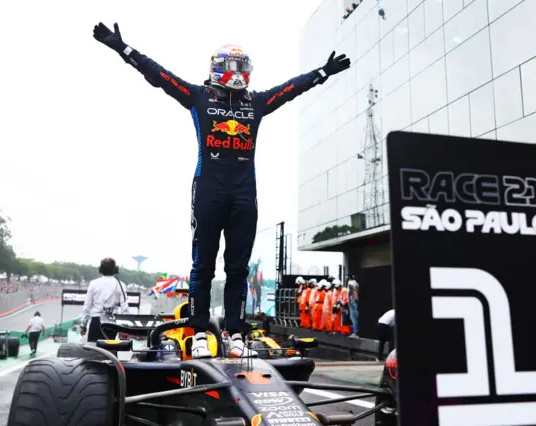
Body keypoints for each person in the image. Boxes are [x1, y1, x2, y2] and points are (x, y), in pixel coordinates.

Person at [92, 22, 351, 358]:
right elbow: (159, 76)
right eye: (232, 66)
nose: (239, 73)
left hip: (245, 195)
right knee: (203, 267)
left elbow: (289, 89)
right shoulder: (199, 96)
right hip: (209, 191)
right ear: (217, 68)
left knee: (238, 270)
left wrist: (321, 73)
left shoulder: (256, 103)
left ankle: (235, 333)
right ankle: (199, 331)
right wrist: (122, 48)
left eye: (244, 67)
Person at [80, 258, 129, 343]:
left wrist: (83, 325)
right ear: (115, 270)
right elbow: (125, 309)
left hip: (96, 320)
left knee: (93, 351)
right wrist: (124, 328)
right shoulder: (121, 285)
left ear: (100, 269)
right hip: (112, 322)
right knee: (110, 350)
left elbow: (87, 307)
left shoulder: (93, 283)